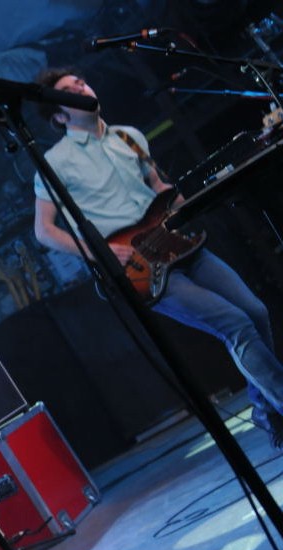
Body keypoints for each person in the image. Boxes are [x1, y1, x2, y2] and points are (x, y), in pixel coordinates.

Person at [32, 67, 283, 448]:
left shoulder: (128, 137)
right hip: (139, 267)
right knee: (234, 323)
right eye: (68, 91)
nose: (81, 88)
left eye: (81, 82)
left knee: (256, 312)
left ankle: (265, 409)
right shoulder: (56, 162)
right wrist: (100, 253)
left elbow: (159, 188)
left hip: (178, 244)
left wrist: (196, 196)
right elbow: (44, 230)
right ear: (59, 116)